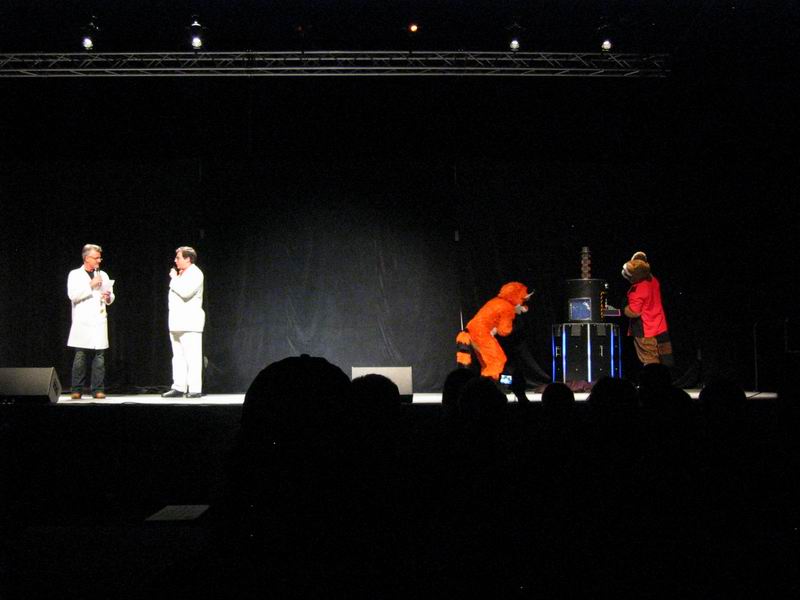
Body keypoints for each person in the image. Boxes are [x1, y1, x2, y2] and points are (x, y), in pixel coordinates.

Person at [67, 244, 115, 399]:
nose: (99, 260)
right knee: (80, 356)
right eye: (96, 258)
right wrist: (91, 285)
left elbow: (110, 296)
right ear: (87, 258)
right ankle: (76, 389)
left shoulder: (103, 274)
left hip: (99, 320)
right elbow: (73, 295)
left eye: (100, 257)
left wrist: (108, 297)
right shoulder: (75, 274)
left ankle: (98, 389)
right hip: (83, 321)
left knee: (99, 357)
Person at [461, 282, 532, 381]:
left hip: (470, 331)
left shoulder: (496, 301)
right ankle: (487, 384)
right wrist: (511, 318)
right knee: (498, 360)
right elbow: (504, 331)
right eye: (523, 299)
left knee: (487, 363)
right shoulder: (507, 308)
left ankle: (483, 384)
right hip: (481, 333)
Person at [162, 246, 205, 398]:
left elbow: (185, 292)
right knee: (178, 356)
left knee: (192, 357)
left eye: (178, 258)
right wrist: (177, 278)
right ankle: (179, 386)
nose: (175, 260)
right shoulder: (181, 275)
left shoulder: (196, 273)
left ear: (188, 259)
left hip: (190, 322)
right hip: (176, 322)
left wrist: (174, 278)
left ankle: (195, 389)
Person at [622, 251, 674, 368]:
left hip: (646, 331)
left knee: (650, 361)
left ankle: (653, 379)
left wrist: (625, 308)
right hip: (661, 327)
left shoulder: (637, 289)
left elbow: (634, 311)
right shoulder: (653, 281)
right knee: (666, 358)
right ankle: (667, 377)